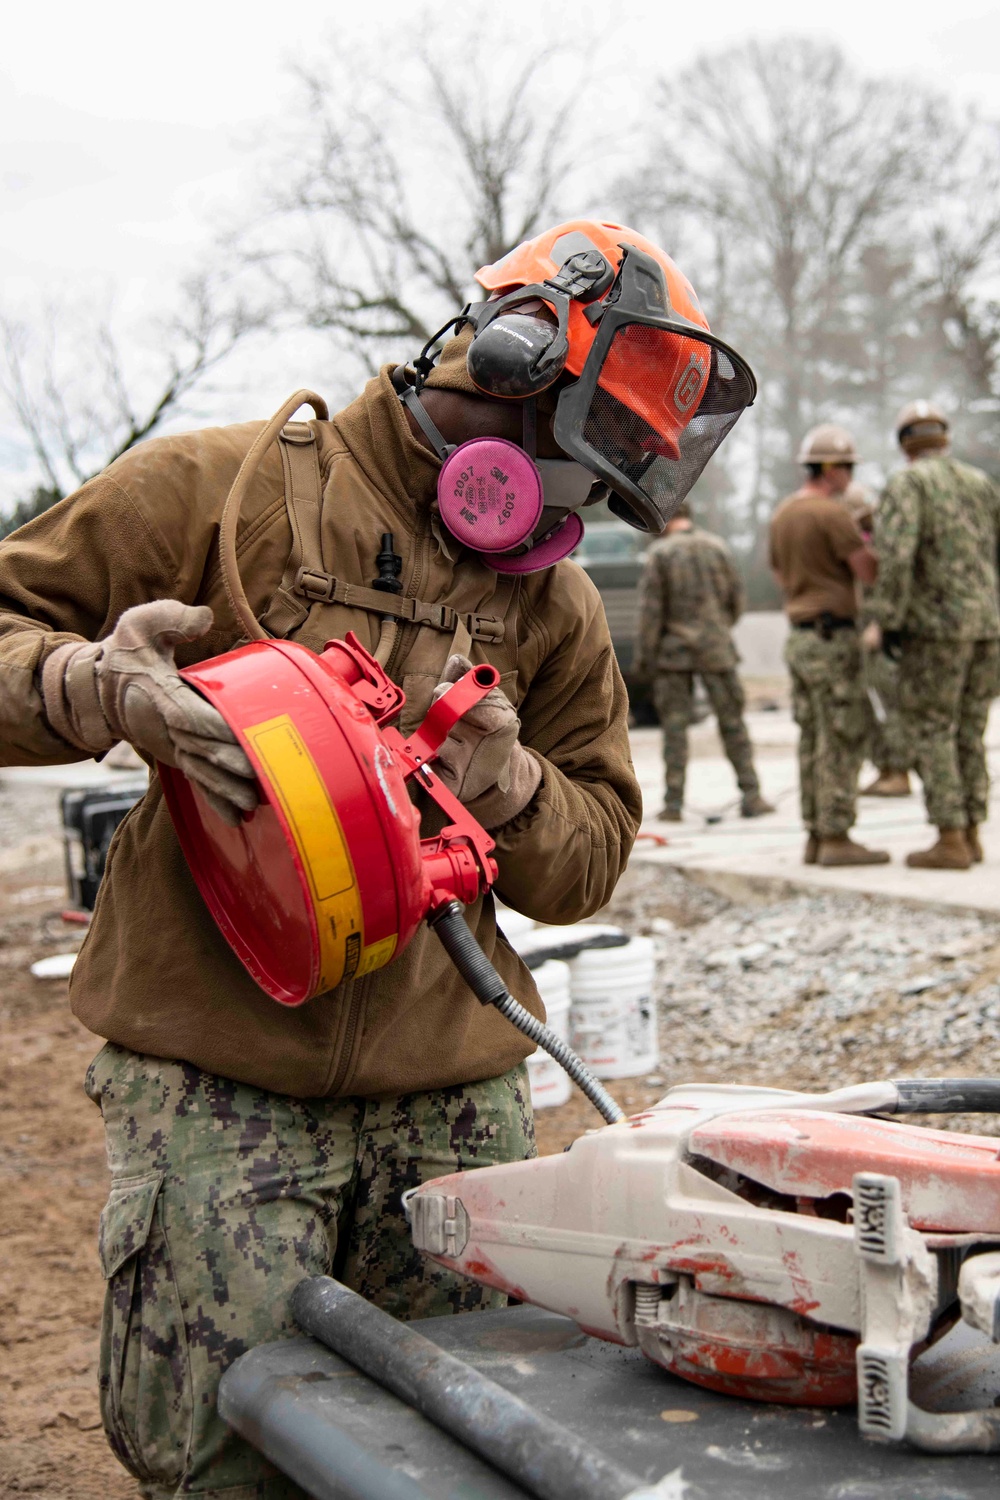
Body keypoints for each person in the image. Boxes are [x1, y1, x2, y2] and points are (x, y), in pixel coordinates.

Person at [0, 218, 756, 1497]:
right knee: (225, 1454)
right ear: (515, 362)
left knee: (464, 1447)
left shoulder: (550, 603)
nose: (571, 517)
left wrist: (513, 788)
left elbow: (588, 859)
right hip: (220, 1086)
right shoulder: (213, 492)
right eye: (583, 461)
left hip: (450, 1095)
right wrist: (86, 687)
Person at [863, 400, 1000, 869]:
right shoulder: (980, 484)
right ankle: (973, 831)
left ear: (905, 444)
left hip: (936, 630)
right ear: (944, 438)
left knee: (933, 728)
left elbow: (897, 557)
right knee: (970, 729)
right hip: (987, 628)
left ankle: (950, 837)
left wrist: (889, 620)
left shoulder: (909, 482)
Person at [770, 424, 889, 866]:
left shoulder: (783, 513)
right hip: (833, 637)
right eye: (849, 468)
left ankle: (816, 835)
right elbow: (868, 573)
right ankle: (838, 836)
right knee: (842, 734)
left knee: (813, 737)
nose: (850, 477)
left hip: (801, 639)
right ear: (833, 468)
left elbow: (780, 574)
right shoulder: (833, 514)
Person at [634, 502, 774, 821]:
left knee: (674, 729)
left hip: (673, 652)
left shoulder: (660, 554)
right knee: (733, 723)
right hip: (717, 648)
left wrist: (646, 657)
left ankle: (673, 804)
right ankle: (752, 795)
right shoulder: (718, 548)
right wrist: (718, 629)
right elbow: (737, 599)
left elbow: (650, 612)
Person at [835, 481, 913, 799]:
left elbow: (890, 583)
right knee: (868, 702)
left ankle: (898, 771)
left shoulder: (881, 542)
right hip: (861, 628)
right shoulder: (859, 540)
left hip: (880, 632)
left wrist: (880, 623)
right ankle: (886, 767)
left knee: (889, 702)